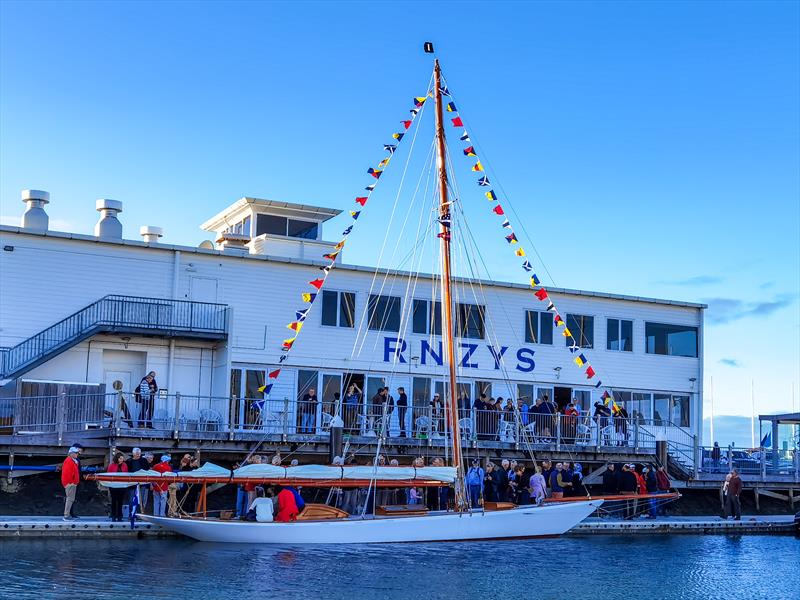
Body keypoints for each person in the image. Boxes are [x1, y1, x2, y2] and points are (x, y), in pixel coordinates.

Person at [107, 452, 129, 521]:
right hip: (113, 486)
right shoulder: (112, 465)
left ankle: (120, 516)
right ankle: (113, 515)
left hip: (122, 486)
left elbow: (126, 474)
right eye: (120, 458)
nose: (122, 460)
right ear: (117, 458)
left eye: (122, 458)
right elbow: (108, 474)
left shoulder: (125, 465)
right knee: (114, 501)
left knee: (120, 501)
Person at [61, 446, 81, 521]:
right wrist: (71, 483)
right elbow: (67, 473)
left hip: (71, 483)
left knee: (70, 499)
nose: (77, 454)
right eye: (76, 453)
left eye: (77, 453)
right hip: (70, 483)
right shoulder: (69, 461)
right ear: (71, 453)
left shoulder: (72, 461)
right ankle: (66, 516)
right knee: (70, 499)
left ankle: (67, 515)